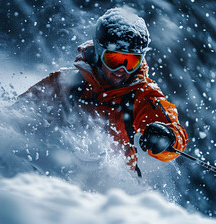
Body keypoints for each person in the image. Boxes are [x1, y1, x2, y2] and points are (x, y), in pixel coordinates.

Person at [18, 8, 189, 176]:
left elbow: (174, 132)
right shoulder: (66, 83)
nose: (122, 69)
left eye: (131, 61)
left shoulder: (141, 94)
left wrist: (167, 138)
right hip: (58, 173)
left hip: (112, 186)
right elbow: (19, 113)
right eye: (113, 59)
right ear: (100, 53)